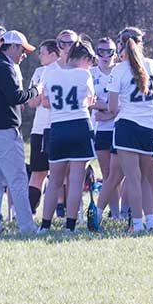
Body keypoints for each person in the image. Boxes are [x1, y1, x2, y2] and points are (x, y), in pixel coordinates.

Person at [0, 30, 40, 234]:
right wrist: (35, 90)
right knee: (18, 180)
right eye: (22, 50)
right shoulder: (5, 67)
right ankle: (27, 227)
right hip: (4, 131)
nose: (24, 55)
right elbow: (16, 96)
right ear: (12, 47)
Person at [108, 27, 153, 232]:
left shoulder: (119, 69)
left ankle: (138, 225)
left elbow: (113, 107)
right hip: (149, 126)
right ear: (142, 43)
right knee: (147, 178)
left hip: (127, 125)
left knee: (133, 178)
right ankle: (151, 222)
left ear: (122, 44)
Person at [39, 40, 98, 232]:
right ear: (83, 58)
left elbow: (45, 101)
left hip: (57, 127)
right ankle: (70, 226)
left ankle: (45, 226)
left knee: (54, 181)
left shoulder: (51, 73)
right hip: (79, 125)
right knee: (75, 182)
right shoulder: (84, 74)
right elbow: (90, 101)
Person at [26, 40, 59, 214]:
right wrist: (41, 90)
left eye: (43, 52)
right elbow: (32, 102)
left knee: (61, 173)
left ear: (54, 54)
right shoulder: (39, 72)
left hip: (58, 127)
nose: (39, 56)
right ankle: (29, 211)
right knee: (38, 172)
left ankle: (62, 210)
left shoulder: (65, 71)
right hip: (39, 128)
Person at [91, 37, 122, 218]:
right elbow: (90, 102)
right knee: (108, 174)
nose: (105, 55)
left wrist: (109, 111)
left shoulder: (120, 71)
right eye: (101, 51)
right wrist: (109, 107)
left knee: (123, 173)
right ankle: (116, 213)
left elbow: (125, 102)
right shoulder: (91, 73)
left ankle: (126, 211)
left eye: (109, 51)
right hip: (101, 130)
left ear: (115, 53)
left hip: (119, 128)